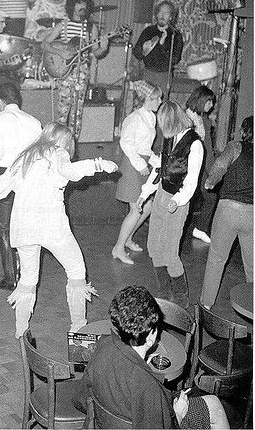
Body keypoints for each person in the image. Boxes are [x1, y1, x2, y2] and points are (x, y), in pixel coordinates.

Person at [0, 122, 118, 338]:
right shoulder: (58, 153)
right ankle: (78, 327)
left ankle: (21, 331)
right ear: (64, 141)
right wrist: (99, 164)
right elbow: (71, 171)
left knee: (27, 280)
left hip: (24, 228)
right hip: (52, 227)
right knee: (76, 271)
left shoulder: (22, 158)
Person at [75, 285, 229, 429]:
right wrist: (179, 414)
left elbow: (80, 401)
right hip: (160, 417)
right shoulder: (148, 385)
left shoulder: (103, 346)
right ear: (151, 337)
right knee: (214, 404)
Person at [0, 82, 41, 291]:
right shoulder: (34, 121)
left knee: (4, 228)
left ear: (0, 101)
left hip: (5, 173)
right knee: (24, 225)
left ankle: (11, 277)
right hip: (28, 174)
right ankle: (26, 273)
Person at [138, 101, 203, 308]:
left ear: (173, 121)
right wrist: (145, 193)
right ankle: (164, 294)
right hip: (161, 195)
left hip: (178, 202)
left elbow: (192, 182)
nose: (161, 128)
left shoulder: (195, 144)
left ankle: (182, 300)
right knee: (153, 247)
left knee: (169, 253)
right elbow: (159, 168)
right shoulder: (169, 139)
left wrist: (178, 200)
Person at [200, 116, 253, 309]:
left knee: (216, 260)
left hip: (228, 211)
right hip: (253, 215)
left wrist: (210, 182)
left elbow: (220, 165)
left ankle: (206, 306)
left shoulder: (235, 147)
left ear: (243, 131)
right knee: (252, 267)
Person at [42, 0, 109, 139]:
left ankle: (73, 142)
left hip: (82, 71)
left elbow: (96, 52)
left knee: (77, 112)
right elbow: (45, 44)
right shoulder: (63, 24)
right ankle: (58, 142)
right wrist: (60, 53)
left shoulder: (91, 28)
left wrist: (103, 48)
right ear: (72, 5)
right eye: (79, 3)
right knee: (62, 110)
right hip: (65, 71)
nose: (82, 7)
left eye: (85, 4)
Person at [112, 80, 162, 265]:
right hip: (133, 165)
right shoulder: (134, 118)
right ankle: (118, 248)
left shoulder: (150, 116)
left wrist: (156, 161)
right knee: (136, 209)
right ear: (147, 98)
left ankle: (128, 238)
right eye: (157, 98)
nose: (160, 102)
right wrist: (141, 164)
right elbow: (126, 144)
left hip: (143, 163)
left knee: (147, 207)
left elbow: (145, 147)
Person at [185, 86, 217, 244]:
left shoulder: (202, 118)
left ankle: (200, 228)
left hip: (201, 164)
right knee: (187, 198)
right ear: (201, 100)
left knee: (210, 197)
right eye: (209, 101)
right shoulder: (188, 117)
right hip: (189, 165)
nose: (211, 105)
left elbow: (208, 147)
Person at [132, 0, 184, 97]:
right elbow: (137, 54)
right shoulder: (148, 31)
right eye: (160, 12)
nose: (162, 15)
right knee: (145, 102)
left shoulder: (175, 35)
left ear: (171, 17)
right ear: (157, 14)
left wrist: (162, 44)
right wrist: (143, 50)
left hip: (164, 76)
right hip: (148, 74)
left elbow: (175, 59)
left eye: (166, 13)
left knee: (161, 104)